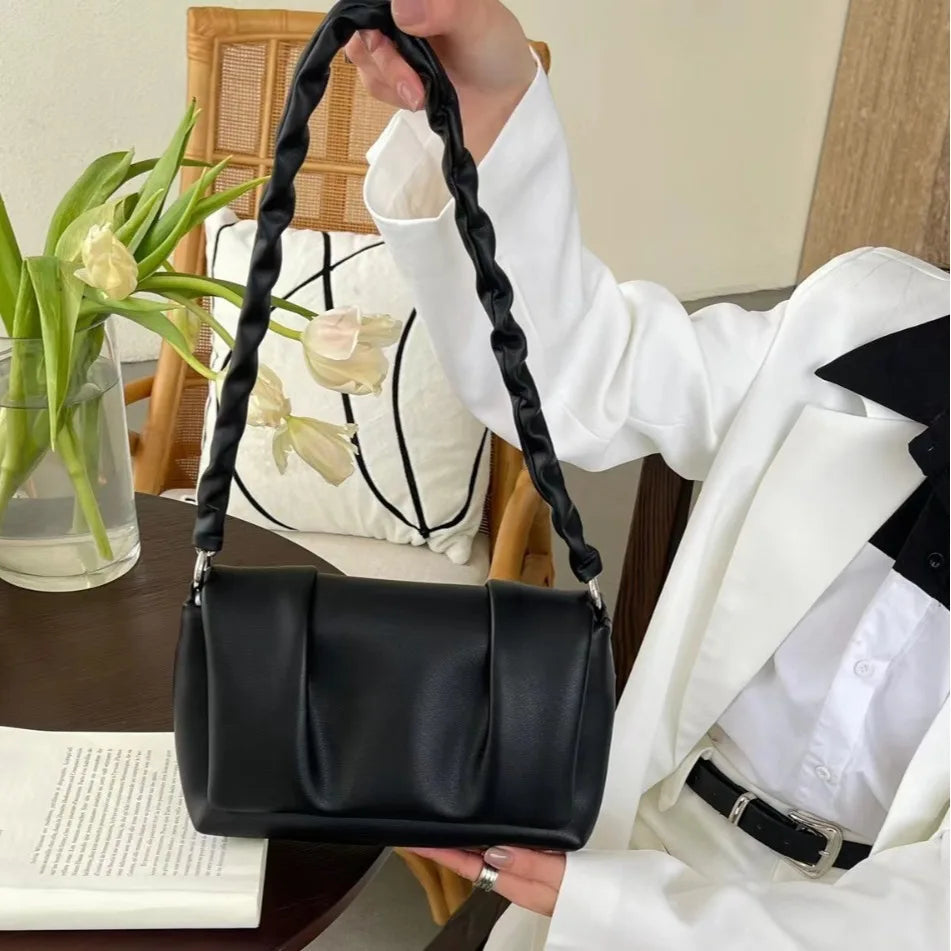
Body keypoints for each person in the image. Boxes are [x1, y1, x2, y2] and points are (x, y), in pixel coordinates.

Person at [345, 2, 950, 948]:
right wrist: (487, 114)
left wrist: (614, 909)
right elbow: (577, 379)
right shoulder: (866, 317)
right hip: (638, 834)